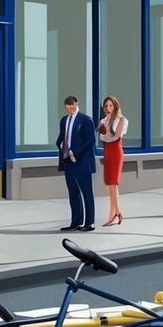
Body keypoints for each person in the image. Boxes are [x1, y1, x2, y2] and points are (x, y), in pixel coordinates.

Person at [56, 95, 96, 231]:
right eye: (69, 108)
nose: (71, 109)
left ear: (77, 104)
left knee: (87, 192)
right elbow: (62, 136)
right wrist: (60, 146)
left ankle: (89, 222)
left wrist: (75, 153)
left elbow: (90, 140)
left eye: (73, 107)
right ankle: (76, 222)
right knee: (73, 192)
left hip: (82, 161)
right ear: (66, 107)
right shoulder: (64, 120)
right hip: (68, 161)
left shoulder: (86, 120)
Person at [97, 95, 128, 226]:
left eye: (111, 105)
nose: (108, 108)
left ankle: (115, 214)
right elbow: (101, 137)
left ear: (115, 106)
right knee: (110, 184)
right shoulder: (103, 121)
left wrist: (105, 136)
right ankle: (116, 213)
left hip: (116, 152)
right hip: (107, 152)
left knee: (114, 183)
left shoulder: (122, 120)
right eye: (106, 106)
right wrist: (105, 136)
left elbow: (115, 137)